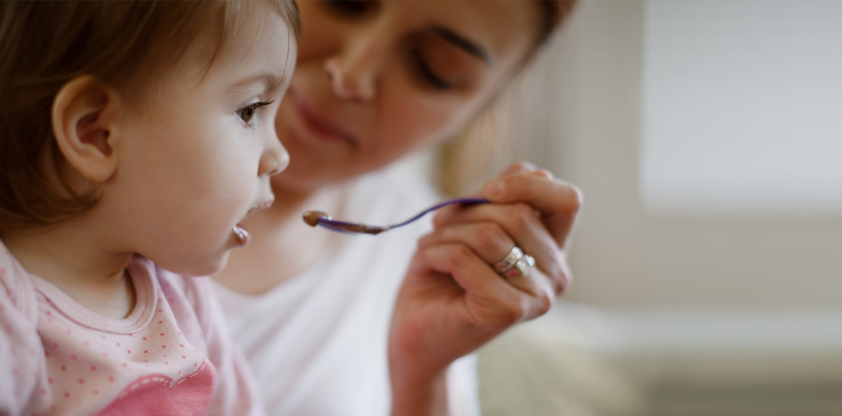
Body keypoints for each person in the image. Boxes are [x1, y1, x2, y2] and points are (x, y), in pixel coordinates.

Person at [211, 1, 581, 415]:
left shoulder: (430, 253)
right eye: (344, 1)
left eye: (431, 67)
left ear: (473, 113)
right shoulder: (126, 148)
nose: (351, 76)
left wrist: (423, 377)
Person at [0, 1, 298, 414]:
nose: (279, 157)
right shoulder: (12, 313)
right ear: (98, 134)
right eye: (249, 111)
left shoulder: (181, 296)